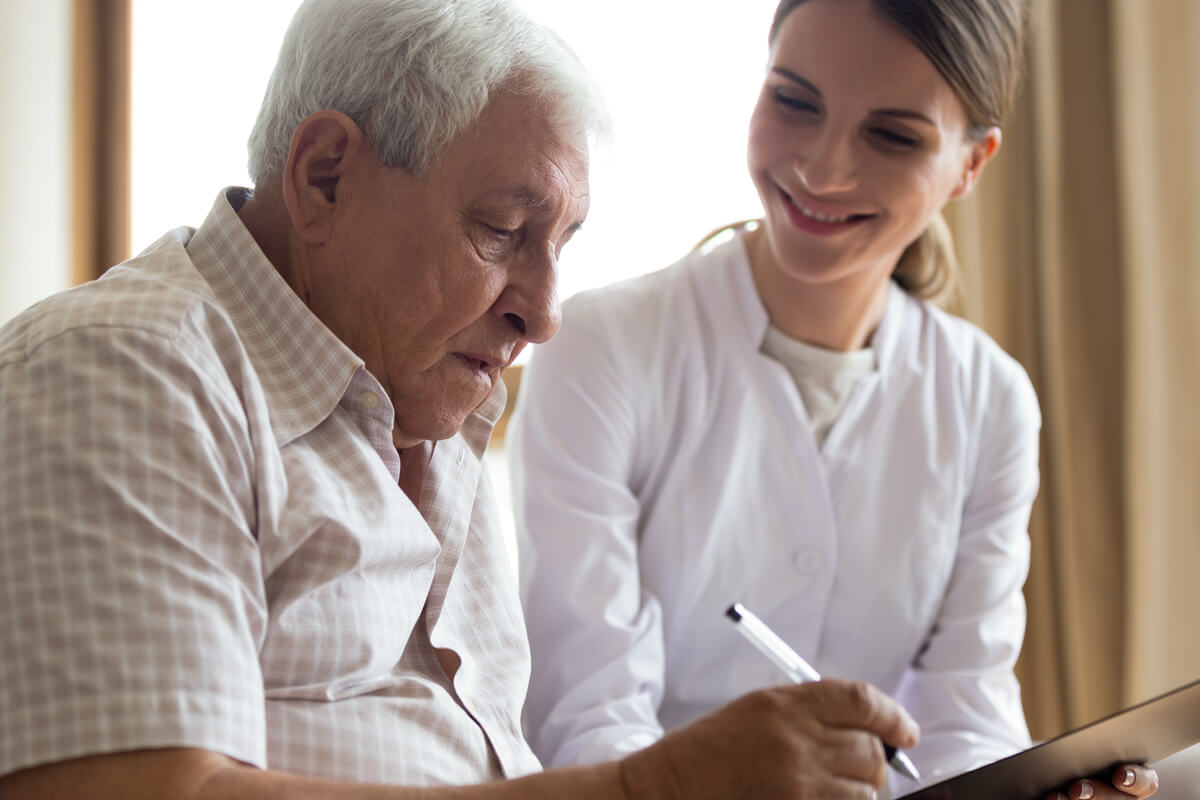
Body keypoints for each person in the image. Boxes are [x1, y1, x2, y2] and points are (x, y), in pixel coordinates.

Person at [0, 1, 927, 798]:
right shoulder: (124, 374)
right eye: (502, 231)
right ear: (324, 176)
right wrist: (658, 788)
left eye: (562, 243)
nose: (546, 312)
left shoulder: (426, 395)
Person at [510, 2, 1160, 800]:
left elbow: (968, 722)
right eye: (794, 100)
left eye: (892, 135)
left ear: (971, 164)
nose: (822, 170)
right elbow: (586, 722)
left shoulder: (990, 402)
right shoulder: (600, 349)